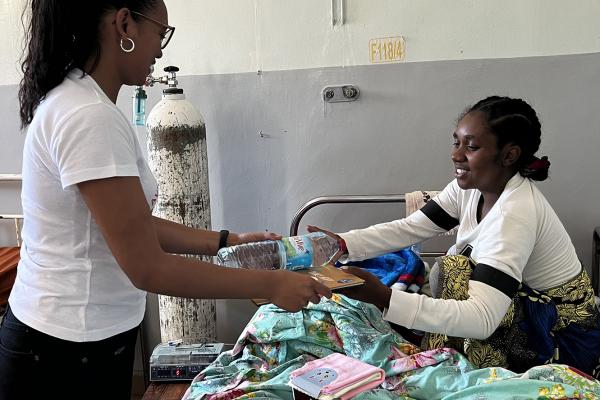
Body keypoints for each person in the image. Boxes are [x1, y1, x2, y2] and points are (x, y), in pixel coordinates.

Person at [0, 1, 331, 398]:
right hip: (64, 350)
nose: (161, 49)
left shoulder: (81, 102)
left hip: (76, 339)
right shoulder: (88, 116)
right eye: (160, 32)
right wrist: (272, 283)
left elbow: (131, 224)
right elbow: (148, 268)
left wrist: (225, 240)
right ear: (124, 24)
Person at [310, 96, 600, 377]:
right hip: (522, 307)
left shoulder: (515, 213)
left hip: (561, 334)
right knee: (451, 267)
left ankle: (451, 368)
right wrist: (343, 243)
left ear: (509, 154)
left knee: (453, 268)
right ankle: (440, 352)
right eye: (456, 141)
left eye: (470, 147)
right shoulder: (471, 188)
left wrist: (384, 297)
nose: (456, 154)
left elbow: (483, 318)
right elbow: (410, 228)